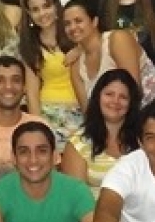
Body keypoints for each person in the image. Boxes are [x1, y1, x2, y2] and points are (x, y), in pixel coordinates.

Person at [63, 0, 155, 108]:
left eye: (78, 21)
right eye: (67, 24)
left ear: (94, 21)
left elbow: (134, 91)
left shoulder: (117, 39)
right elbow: (87, 110)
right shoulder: (75, 64)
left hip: (152, 111)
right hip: (110, 118)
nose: (72, 27)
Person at [60, 69, 141, 197]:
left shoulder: (143, 140)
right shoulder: (77, 144)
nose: (115, 101)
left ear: (131, 103)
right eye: (109, 94)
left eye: (123, 97)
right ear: (98, 97)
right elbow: (77, 200)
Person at [19, 0, 81, 137]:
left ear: (56, 5)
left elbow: (99, 43)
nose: (42, 13)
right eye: (35, 9)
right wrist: (39, 129)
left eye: (46, 6)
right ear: (29, 13)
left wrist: (81, 49)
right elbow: (32, 93)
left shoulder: (75, 32)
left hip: (83, 108)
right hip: (50, 113)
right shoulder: (30, 45)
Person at [0, 56, 49, 182]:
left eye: (16, 80)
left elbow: (51, 176)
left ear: (25, 87)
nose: (8, 86)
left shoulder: (40, 126)